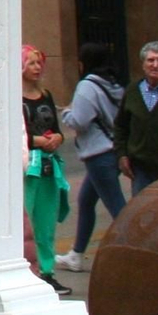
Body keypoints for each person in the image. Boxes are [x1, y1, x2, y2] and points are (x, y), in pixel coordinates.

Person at [55, 42, 125, 272]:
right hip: (112, 150)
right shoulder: (114, 84)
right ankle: (76, 254)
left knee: (117, 208)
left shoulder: (87, 86)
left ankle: (136, 249)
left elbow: (79, 121)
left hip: (98, 154)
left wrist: (66, 112)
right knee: (86, 200)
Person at [20, 44, 71, 295]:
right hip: (29, 166)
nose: (37, 67)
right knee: (26, 222)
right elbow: (15, 134)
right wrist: (38, 141)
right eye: (31, 62)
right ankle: (31, 271)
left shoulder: (47, 95)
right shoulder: (14, 98)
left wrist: (57, 139)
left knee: (46, 222)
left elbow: (58, 129)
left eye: (39, 62)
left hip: (50, 165)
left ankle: (48, 272)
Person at [114, 40, 158, 196]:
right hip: (140, 169)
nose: (155, 65)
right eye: (150, 60)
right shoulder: (132, 90)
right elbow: (120, 126)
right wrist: (122, 154)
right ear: (143, 64)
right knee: (142, 213)